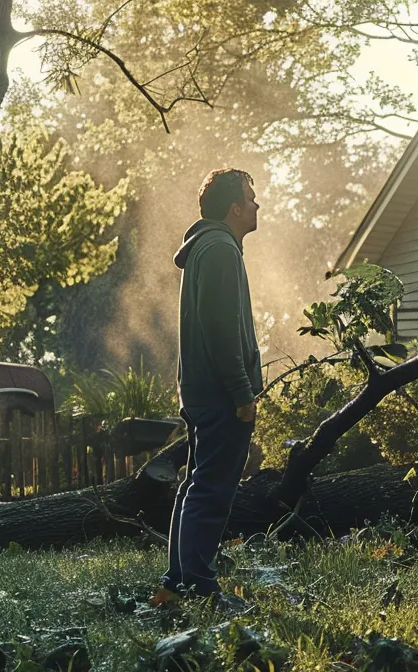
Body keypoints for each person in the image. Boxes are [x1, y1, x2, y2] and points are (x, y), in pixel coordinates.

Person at [155, 168, 263, 613]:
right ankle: (198, 586)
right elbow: (220, 330)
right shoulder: (219, 249)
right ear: (234, 207)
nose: (258, 205)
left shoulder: (211, 247)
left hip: (202, 390)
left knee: (195, 486)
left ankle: (178, 581)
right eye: (252, 198)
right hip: (219, 394)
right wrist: (242, 393)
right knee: (211, 491)